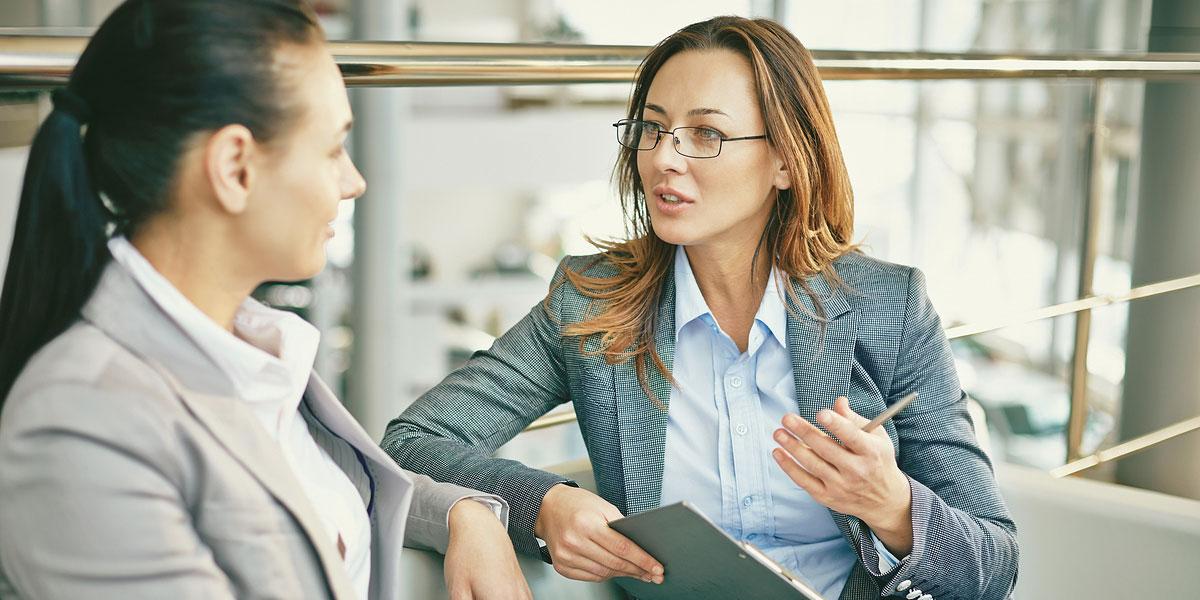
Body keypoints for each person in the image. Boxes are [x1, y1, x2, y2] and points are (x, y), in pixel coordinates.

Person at [383, 15, 1018, 600]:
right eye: (652, 128)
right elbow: (412, 441)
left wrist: (893, 506)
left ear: (785, 161)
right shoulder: (593, 302)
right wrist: (540, 503)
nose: (662, 157)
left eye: (706, 133)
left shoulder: (889, 307)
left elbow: (994, 564)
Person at [0, 1, 530, 599]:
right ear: (235, 167)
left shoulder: (247, 351)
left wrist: (463, 512)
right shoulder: (82, 421)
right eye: (333, 149)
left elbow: (308, 500)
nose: (354, 181)